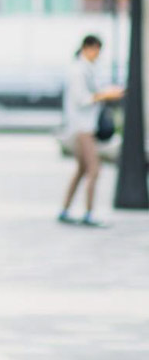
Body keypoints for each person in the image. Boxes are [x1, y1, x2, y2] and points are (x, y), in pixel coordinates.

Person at [58, 34, 123, 227]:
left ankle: (65, 209)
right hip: (82, 127)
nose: (97, 55)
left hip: (85, 126)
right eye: (96, 50)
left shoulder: (87, 69)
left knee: (82, 169)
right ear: (87, 48)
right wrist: (104, 95)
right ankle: (88, 213)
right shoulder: (78, 71)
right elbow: (82, 99)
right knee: (94, 169)